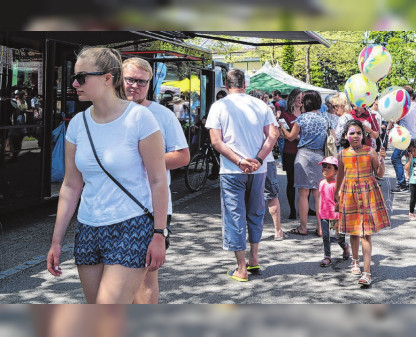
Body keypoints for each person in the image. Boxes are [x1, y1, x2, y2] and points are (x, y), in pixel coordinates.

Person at [46, 46, 169, 304]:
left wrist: (159, 233)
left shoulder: (140, 118)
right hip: (88, 227)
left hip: (131, 225)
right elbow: (70, 185)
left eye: (81, 77)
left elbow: (158, 181)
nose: (75, 82)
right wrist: (56, 241)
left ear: (107, 78)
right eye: (74, 76)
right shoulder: (78, 124)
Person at [122, 57, 190, 304]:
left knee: (146, 277)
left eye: (141, 82)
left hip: (152, 207)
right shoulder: (107, 112)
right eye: (130, 79)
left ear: (150, 83)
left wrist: (145, 160)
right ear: (120, 79)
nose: (135, 86)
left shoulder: (162, 114)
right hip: (112, 208)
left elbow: (182, 156)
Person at [206, 69, 279, 282]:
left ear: (225, 85)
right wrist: (258, 159)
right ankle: (254, 258)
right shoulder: (261, 104)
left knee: (234, 216)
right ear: (244, 84)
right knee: (255, 213)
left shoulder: (219, 106)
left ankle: (241, 268)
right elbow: (273, 134)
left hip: (232, 170)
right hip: (259, 169)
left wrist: (240, 161)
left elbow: (216, 141)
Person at [335, 119, 390, 287]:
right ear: (346, 136)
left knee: (366, 233)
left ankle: (367, 272)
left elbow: (379, 174)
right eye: (352, 133)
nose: (356, 136)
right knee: (353, 231)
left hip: (368, 193)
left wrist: (381, 159)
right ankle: (354, 259)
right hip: (349, 194)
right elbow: (340, 176)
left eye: (359, 133)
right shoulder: (342, 154)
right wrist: (337, 195)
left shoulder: (370, 151)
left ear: (363, 135)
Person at [280, 90, 334, 236]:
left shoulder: (302, 118)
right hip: (320, 157)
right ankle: (321, 227)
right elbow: (333, 137)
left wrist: (282, 128)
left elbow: (291, 137)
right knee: (318, 193)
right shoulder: (325, 119)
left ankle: (303, 227)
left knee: (303, 193)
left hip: (304, 155)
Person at [248, 89, 286, 241]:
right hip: (266, 159)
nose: (267, 101)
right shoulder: (266, 111)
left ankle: (250, 233)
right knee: (272, 195)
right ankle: (278, 231)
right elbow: (274, 135)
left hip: (247, 159)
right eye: (265, 98)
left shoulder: (243, 114)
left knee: (250, 197)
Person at [390, 86, 416, 193]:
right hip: (414, 136)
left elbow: (395, 120)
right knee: (414, 159)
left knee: (395, 158)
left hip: (404, 138)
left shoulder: (402, 107)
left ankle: (402, 184)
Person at [317, 156, 351, 267]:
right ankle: (327, 256)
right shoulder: (322, 183)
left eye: (328, 167)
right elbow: (320, 198)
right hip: (324, 215)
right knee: (325, 236)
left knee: (338, 238)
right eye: (323, 167)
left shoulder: (337, 185)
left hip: (335, 216)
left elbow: (341, 201)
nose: (325, 169)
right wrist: (319, 214)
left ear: (336, 171)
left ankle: (345, 246)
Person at [278, 88, 303, 219]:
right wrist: (294, 136)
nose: (300, 100)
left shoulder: (306, 113)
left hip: (304, 152)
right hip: (290, 151)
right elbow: (283, 135)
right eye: (298, 98)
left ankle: (304, 208)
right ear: (292, 99)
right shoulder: (285, 115)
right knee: (291, 181)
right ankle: (293, 210)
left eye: (302, 98)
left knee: (305, 182)